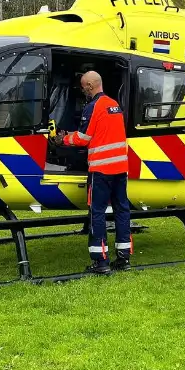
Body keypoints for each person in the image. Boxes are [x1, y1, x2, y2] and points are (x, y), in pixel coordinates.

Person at [52, 70, 132, 274]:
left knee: (97, 213)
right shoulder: (114, 105)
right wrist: (73, 134)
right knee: (122, 210)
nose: (82, 90)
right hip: (120, 169)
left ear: (89, 86)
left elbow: (84, 139)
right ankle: (124, 257)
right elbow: (100, 132)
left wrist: (63, 140)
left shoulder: (92, 107)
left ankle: (100, 261)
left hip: (101, 170)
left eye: (82, 86)